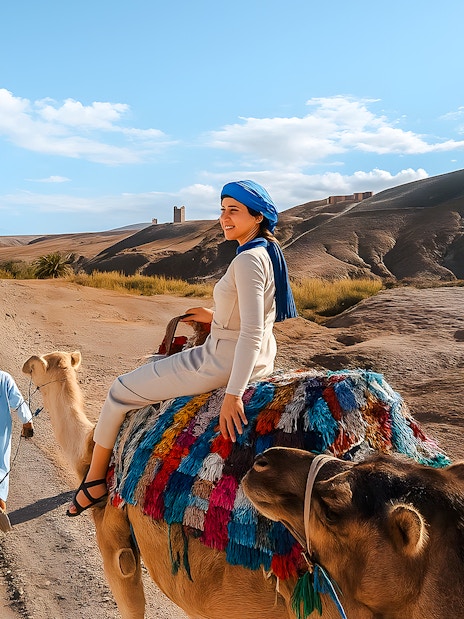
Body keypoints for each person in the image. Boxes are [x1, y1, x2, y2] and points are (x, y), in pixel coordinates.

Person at [67, 180, 297, 516]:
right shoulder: (265, 252)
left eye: (234, 210)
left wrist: (233, 394)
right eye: (222, 209)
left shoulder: (247, 261)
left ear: (257, 217)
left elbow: (250, 330)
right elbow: (257, 318)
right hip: (257, 357)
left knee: (119, 390)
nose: (224, 217)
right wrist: (214, 316)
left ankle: (94, 480)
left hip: (221, 361)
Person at [0, 370, 34, 532]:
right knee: (1, 463)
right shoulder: (3, 378)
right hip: (1, 429)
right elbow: (17, 401)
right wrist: (27, 422)